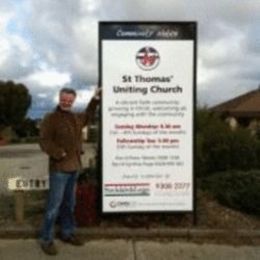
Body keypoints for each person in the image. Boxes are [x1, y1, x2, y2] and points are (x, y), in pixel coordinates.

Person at [39, 87, 100, 255]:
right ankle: (46, 239)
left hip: (74, 169)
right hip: (59, 169)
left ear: (73, 101)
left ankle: (67, 233)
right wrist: (58, 152)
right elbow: (44, 141)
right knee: (53, 207)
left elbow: (87, 116)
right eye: (64, 99)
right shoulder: (50, 118)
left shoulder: (75, 117)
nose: (66, 102)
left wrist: (95, 99)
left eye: (69, 100)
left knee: (69, 205)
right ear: (59, 98)